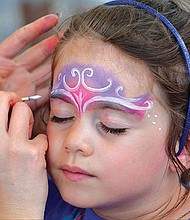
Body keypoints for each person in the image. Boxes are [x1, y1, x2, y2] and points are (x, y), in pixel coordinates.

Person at [0, 0, 190, 219]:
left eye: (112, 127)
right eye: (61, 116)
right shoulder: (26, 186)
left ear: (184, 148)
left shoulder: (20, 198)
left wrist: (18, 211)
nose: (74, 141)